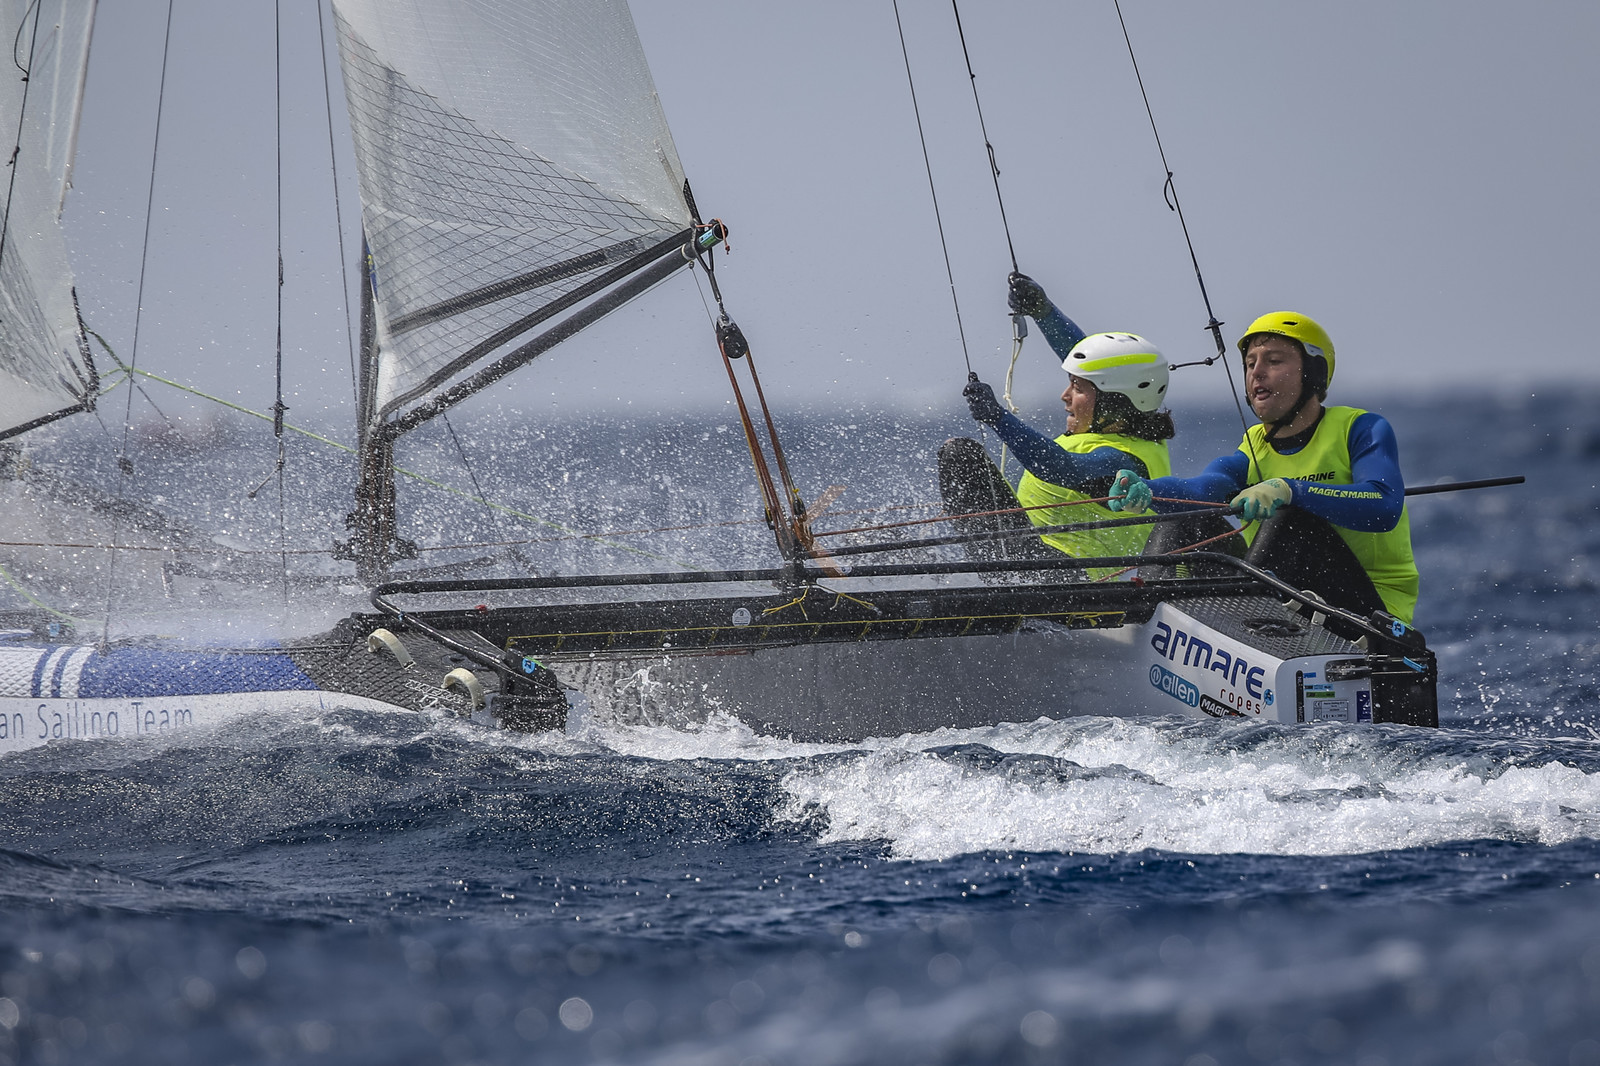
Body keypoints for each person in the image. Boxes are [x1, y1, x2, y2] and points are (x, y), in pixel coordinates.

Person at [1107, 312, 1419, 622]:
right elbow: (1204, 489)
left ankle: (1243, 624)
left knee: (1289, 518)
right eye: (1250, 363)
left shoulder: (1362, 428)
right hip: (1283, 602)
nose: (1256, 372)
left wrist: (1291, 490)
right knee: (1183, 521)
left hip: (1372, 617)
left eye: (1274, 361)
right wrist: (1148, 490)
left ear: (1313, 372)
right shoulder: (1253, 446)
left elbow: (1384, 507)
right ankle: (1145, 616)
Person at [943, 272, 1174, 575]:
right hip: (1040, 566)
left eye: (1077, 388)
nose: (1065, 396)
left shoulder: (1124, 460)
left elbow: (1061, 468)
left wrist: (998, 417)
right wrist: (1043, 312)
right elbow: (1088, 361)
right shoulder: (1128, 429)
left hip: (1067, 581)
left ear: (1114, 403)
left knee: (959, 455)